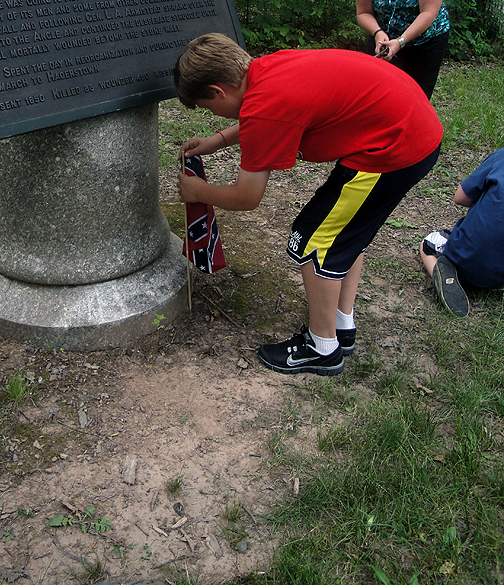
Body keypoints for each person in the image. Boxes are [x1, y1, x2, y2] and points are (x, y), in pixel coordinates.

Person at [174, 33, 443, 376]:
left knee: (314, 240)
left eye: (208, 108)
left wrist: (198, 191)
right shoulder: (265, 69)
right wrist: (220, 140)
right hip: (410, 126)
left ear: (218, 91)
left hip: (393, 148)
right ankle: (341, 325)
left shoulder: (263, 107)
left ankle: (322, 347)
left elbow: (247, 196)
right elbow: (268, 117)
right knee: (343, 234)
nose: (214, 114)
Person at [420, 148, 504, 318]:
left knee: (428, 243)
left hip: (469, 258)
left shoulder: (501, 156)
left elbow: (460, 198)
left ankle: (443, 275)